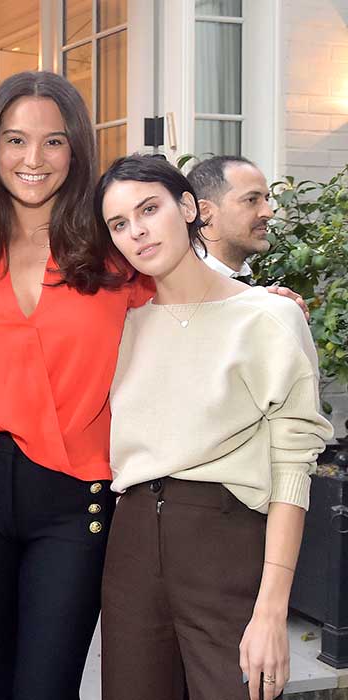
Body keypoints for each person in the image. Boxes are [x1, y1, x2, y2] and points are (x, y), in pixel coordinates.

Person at [0, 71, 144, 699]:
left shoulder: (113, 247)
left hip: (75, 497)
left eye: (53, 142)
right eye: (15, 140)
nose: (33, 159)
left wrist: (253, 302)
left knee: (47, 688)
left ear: (76, 150)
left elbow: (184, 301)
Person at [97, 155, 333, 700]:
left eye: (149, 209)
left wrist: (273, 609)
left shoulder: (270, 318)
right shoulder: (120, 325)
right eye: (119, 224)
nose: (137, 232)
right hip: (131, 543)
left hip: (226, 541)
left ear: (187, 208)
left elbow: (293, 467)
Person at [188, 155, 274, 279]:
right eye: (251, 200)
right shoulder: (183, 288)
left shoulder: (246, 282)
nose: (268, 212)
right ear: (204, 212)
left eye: (266, 199)